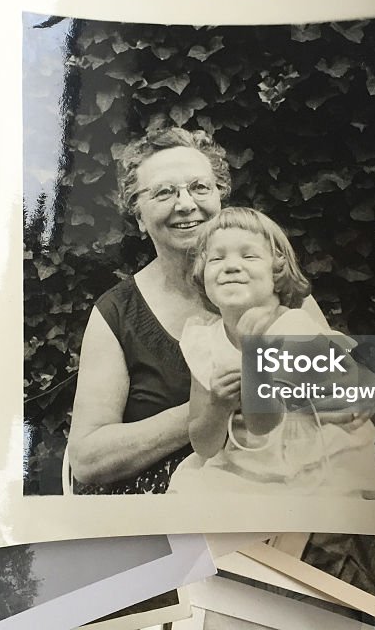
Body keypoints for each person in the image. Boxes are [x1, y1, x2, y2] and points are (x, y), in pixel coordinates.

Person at [168, 207, 375, 495]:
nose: (231, 266)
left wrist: (253, 356)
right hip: (244, 462)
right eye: (217, 258)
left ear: (277, 273)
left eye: (249, 256)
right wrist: (217, 408)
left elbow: (263, 423)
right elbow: (204, 446)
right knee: (191, 491)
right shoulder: (204, 340)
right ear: (202, 275)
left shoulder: (294, 329)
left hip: (310, 460)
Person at [67, 126, 230, 494]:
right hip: (159, 514)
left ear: (220, 197)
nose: (186, 203)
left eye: (200, 187)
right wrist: (211, 408)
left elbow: (350, 394)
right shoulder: (117, 314)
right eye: (164, 193)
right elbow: (86, 459)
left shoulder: (276, 285)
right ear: (138, 216)